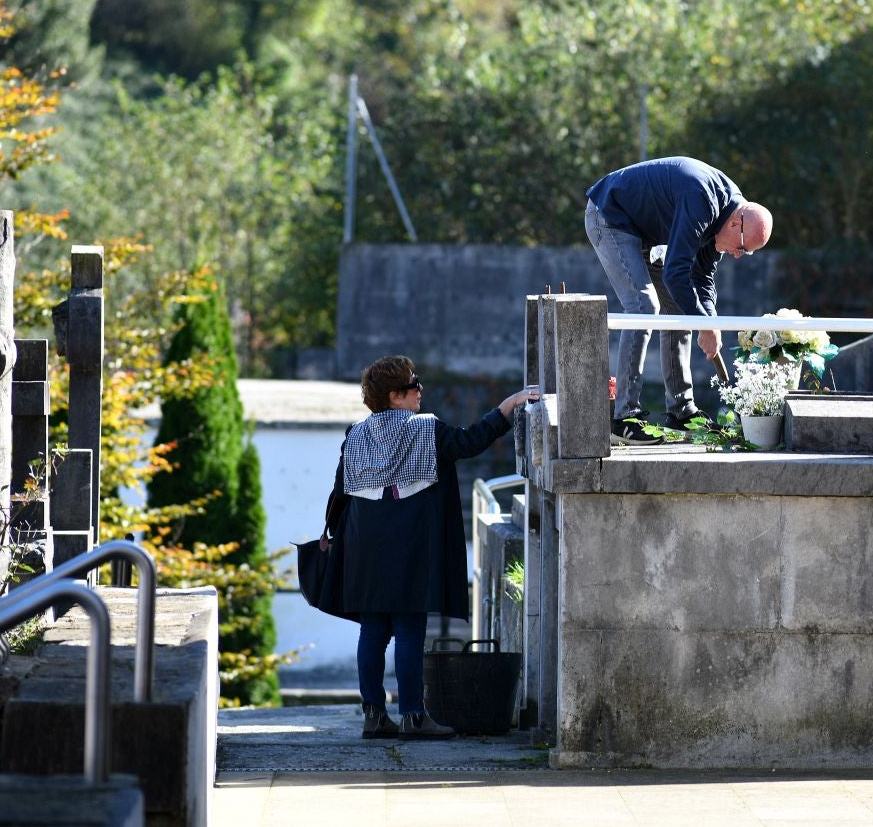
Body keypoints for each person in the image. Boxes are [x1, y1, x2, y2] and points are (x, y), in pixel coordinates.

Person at [324, 355, 536, 739]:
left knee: (372, 629)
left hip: (363, 543)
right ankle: (413, 717)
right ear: (395, 396)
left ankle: (373, 715)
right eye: (414, 384)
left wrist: (331, 536)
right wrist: (509, 406)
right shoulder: (425, 428)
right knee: (408, 627)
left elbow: (341, 491)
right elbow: (470, 441)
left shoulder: (354, 433)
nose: (421, 390)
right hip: (408, 542)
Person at [585, 156, 773, 445]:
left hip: (642, 229)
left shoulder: (728, 214)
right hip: (610, 216)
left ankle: (681, 411)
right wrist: (703, 325)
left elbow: (704, 279)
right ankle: (624, 418)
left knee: (677, 309)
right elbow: (676, 273)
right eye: (742, 249)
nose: (738, 255)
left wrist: (711, 323)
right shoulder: (702, 201)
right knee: (643, 306)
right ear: (736, 224)